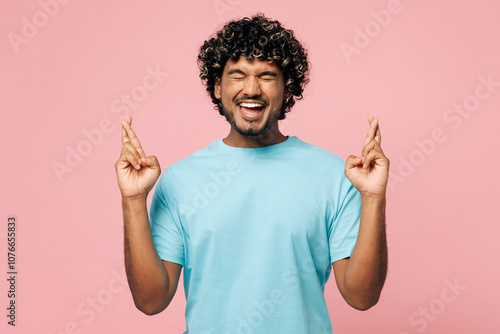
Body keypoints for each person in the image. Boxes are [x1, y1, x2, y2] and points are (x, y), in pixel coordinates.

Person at [115, 13, 389, 334]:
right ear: (217, 87)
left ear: (287, 90)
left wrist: (373, 197)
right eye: (238, 75)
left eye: (267, 76)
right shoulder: (179, 180)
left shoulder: (334, 175)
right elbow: (151, 301)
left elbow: (361, 297)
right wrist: (133, 200)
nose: (252, 89)